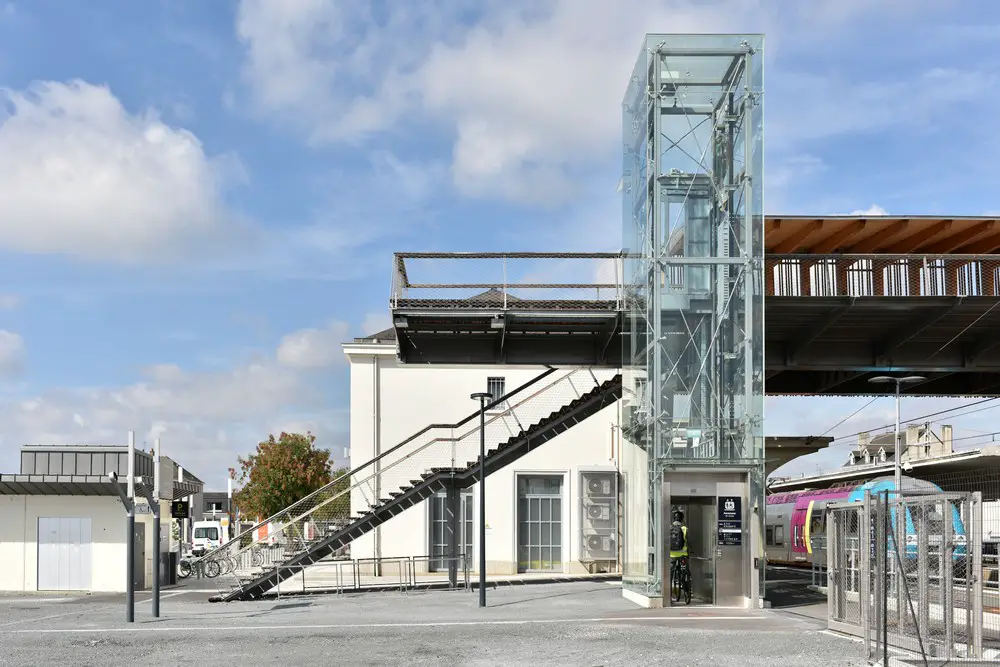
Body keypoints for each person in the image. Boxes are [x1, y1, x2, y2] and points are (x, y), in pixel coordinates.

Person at [669, 509, 690, 602]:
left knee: (670, 575)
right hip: (683, 554)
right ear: (682, 519)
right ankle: (686, 592)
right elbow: (688, 542)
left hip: (672, 555)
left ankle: (669, 595)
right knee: (685, 572)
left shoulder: (669, 528)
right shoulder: (685, 528)